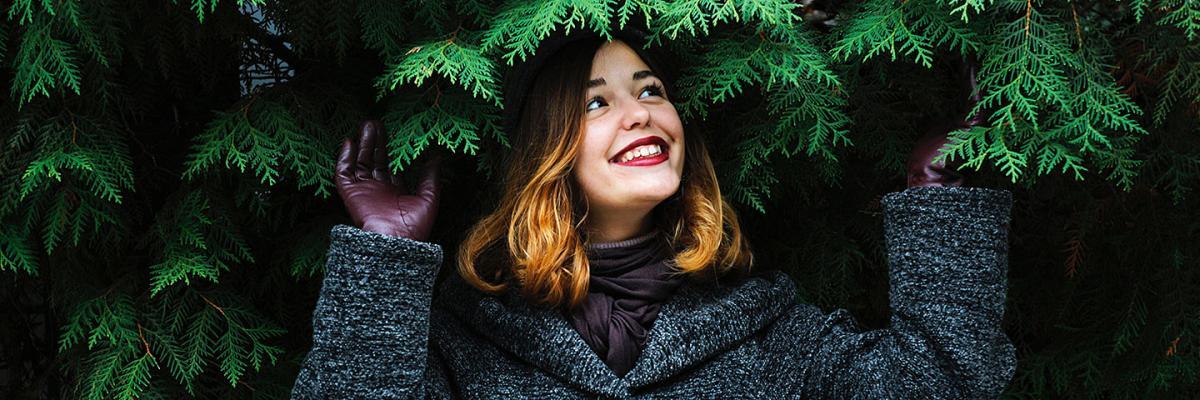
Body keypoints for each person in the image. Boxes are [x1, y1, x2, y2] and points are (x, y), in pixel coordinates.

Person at [290, 24, 1015, 399]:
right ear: (548, 150)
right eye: (597, 102)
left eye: (651, 90)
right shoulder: (466, 339)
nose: (639, 113)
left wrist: (938, 208)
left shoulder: (767, 330)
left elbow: (939, 387)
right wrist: (382, 263)